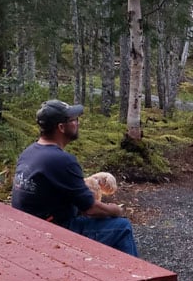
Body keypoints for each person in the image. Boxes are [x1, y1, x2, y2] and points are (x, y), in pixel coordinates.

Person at [12, 99, 138, 256]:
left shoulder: (30, 152)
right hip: (51, 232)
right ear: (61, 127)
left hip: (30, 227)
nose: (77, 123)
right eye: (73, 119)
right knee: (122, 227)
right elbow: (91, 209)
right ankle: (134, 278)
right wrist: (115, 210)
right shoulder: (62, 160)